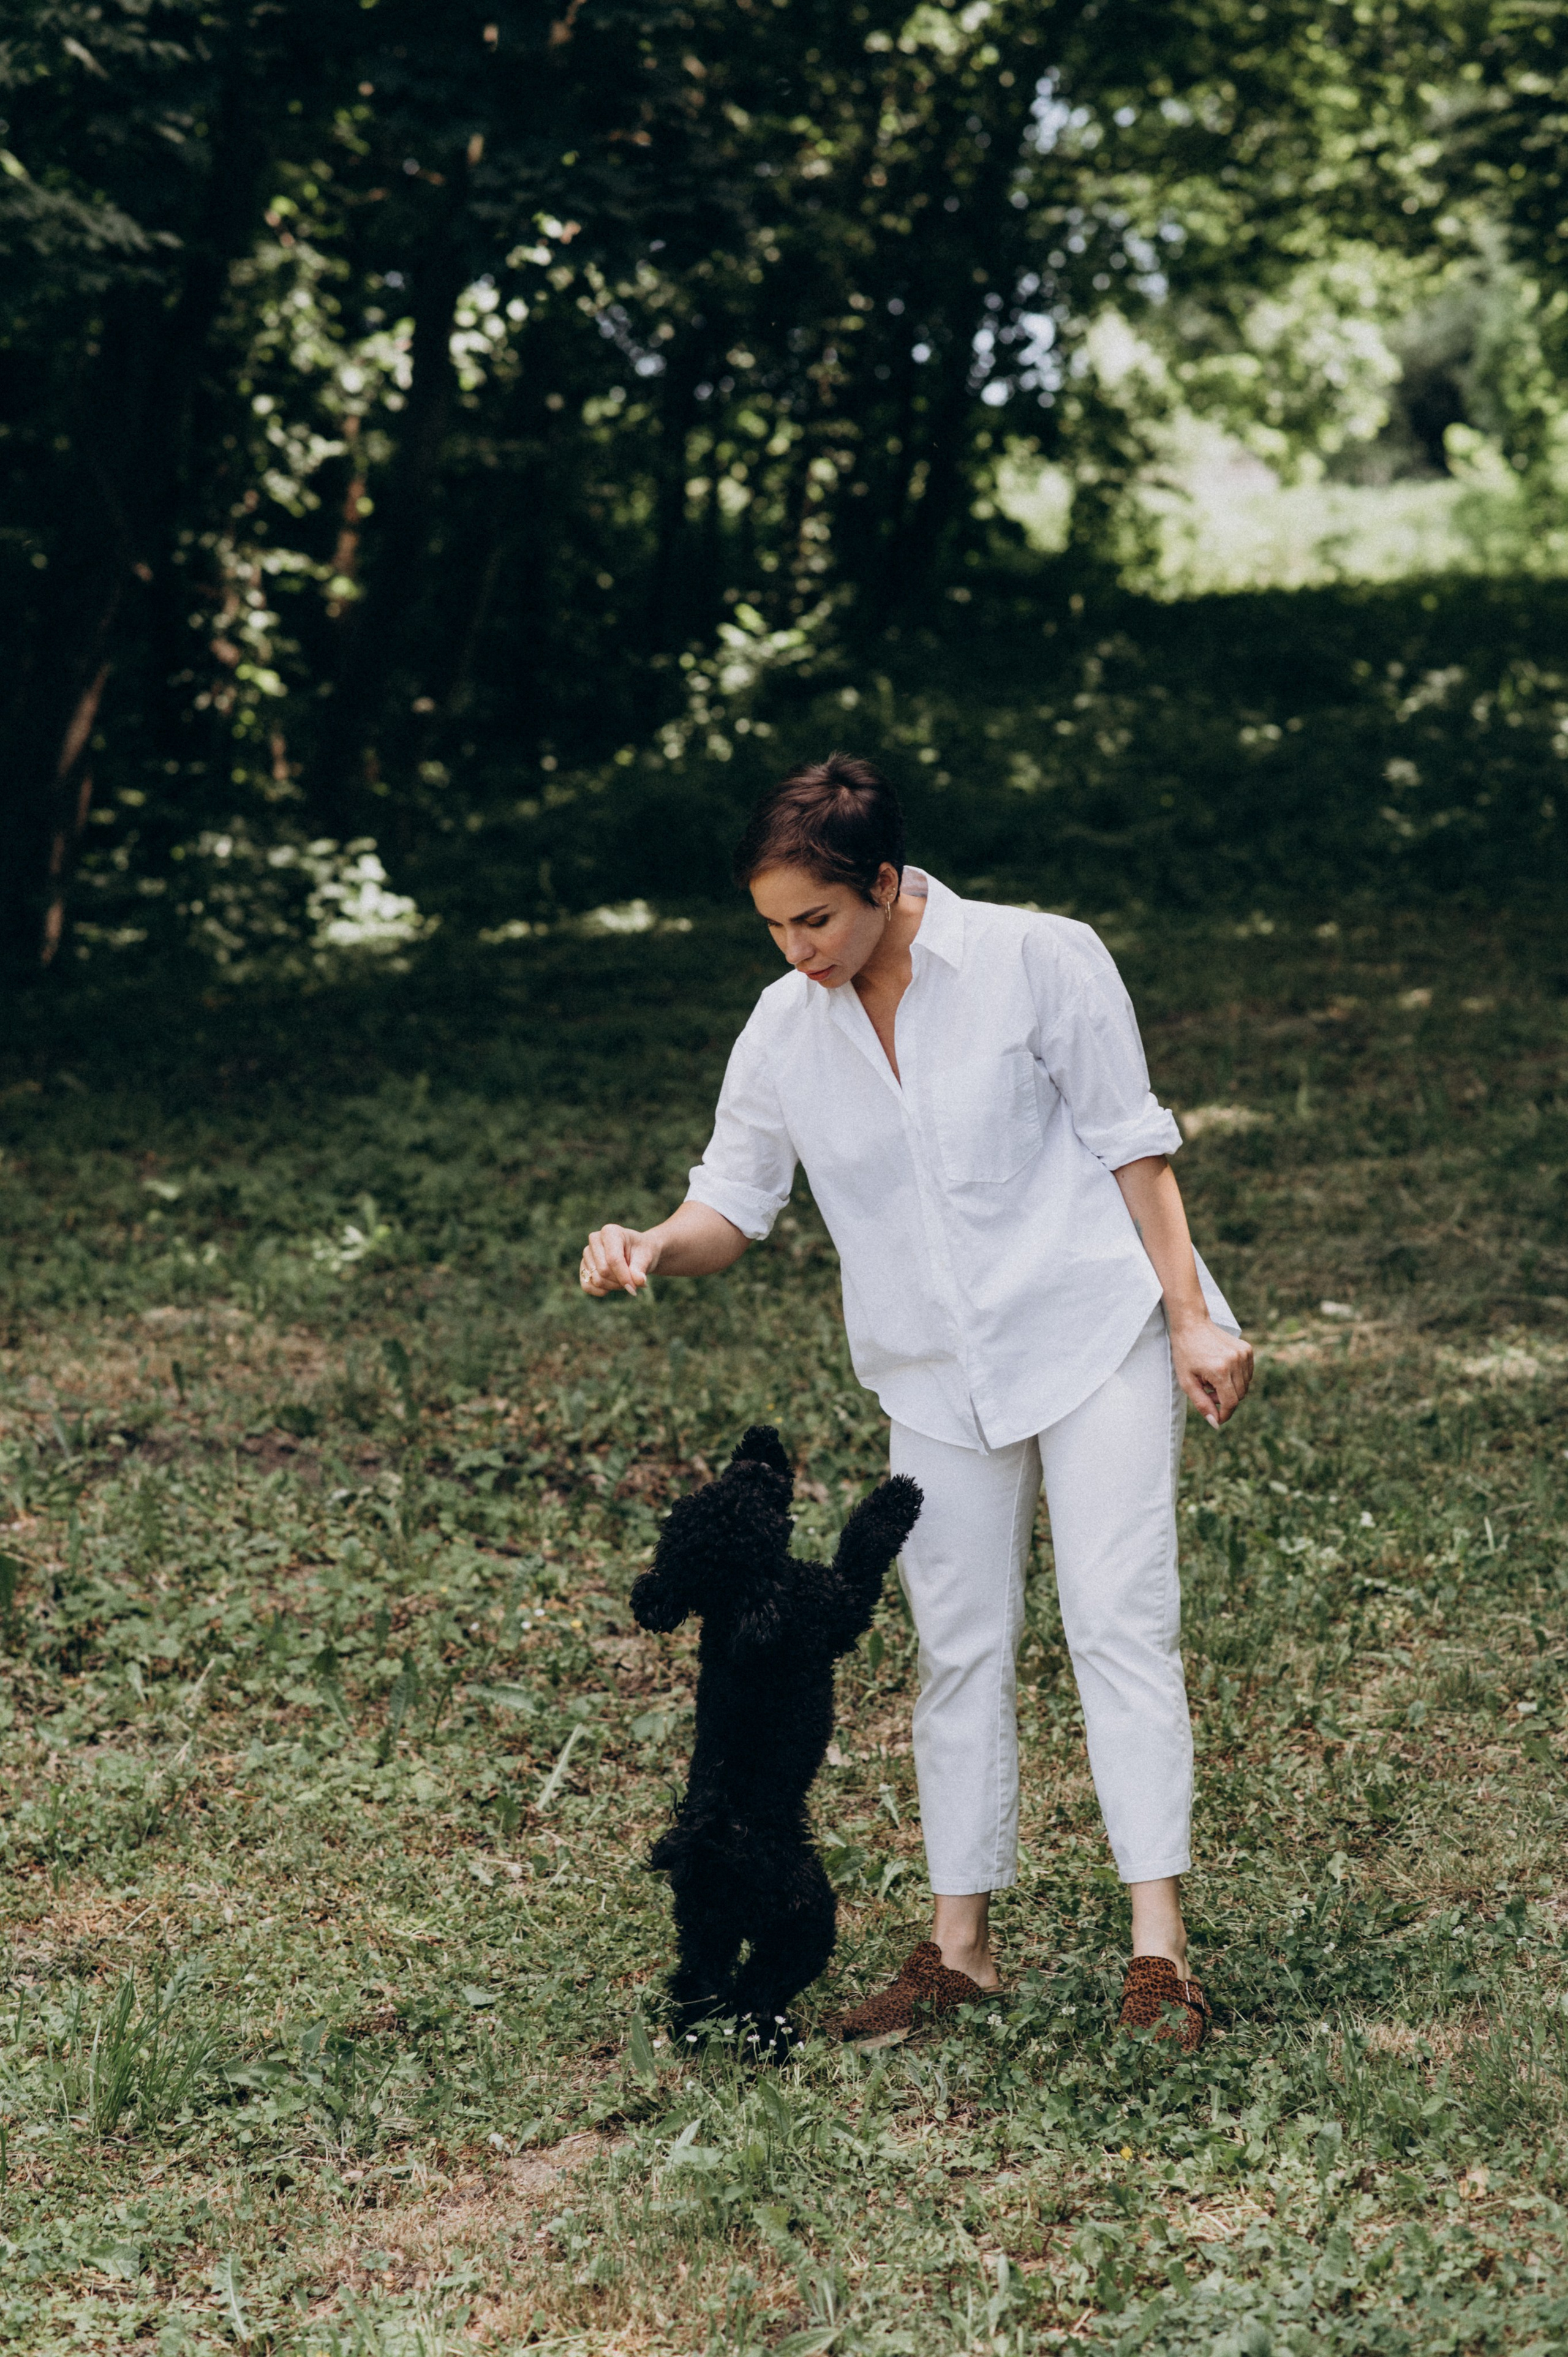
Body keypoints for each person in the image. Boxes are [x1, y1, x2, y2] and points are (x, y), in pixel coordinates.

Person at [581, 753, 1253, 2050]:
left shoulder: (1040, 959)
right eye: (772, 924)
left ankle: (1156, 1956)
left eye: (816, 918)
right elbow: (732, 1200)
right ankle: (959, 1954)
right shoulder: (785, 1025)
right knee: (956, 1646)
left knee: (1116, 1620)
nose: (794, 949)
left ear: (885, 882)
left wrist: (1188, 1314)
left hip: (1091, 1323)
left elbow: (1132, 1140)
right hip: (933, 1370)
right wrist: (655, 1243)